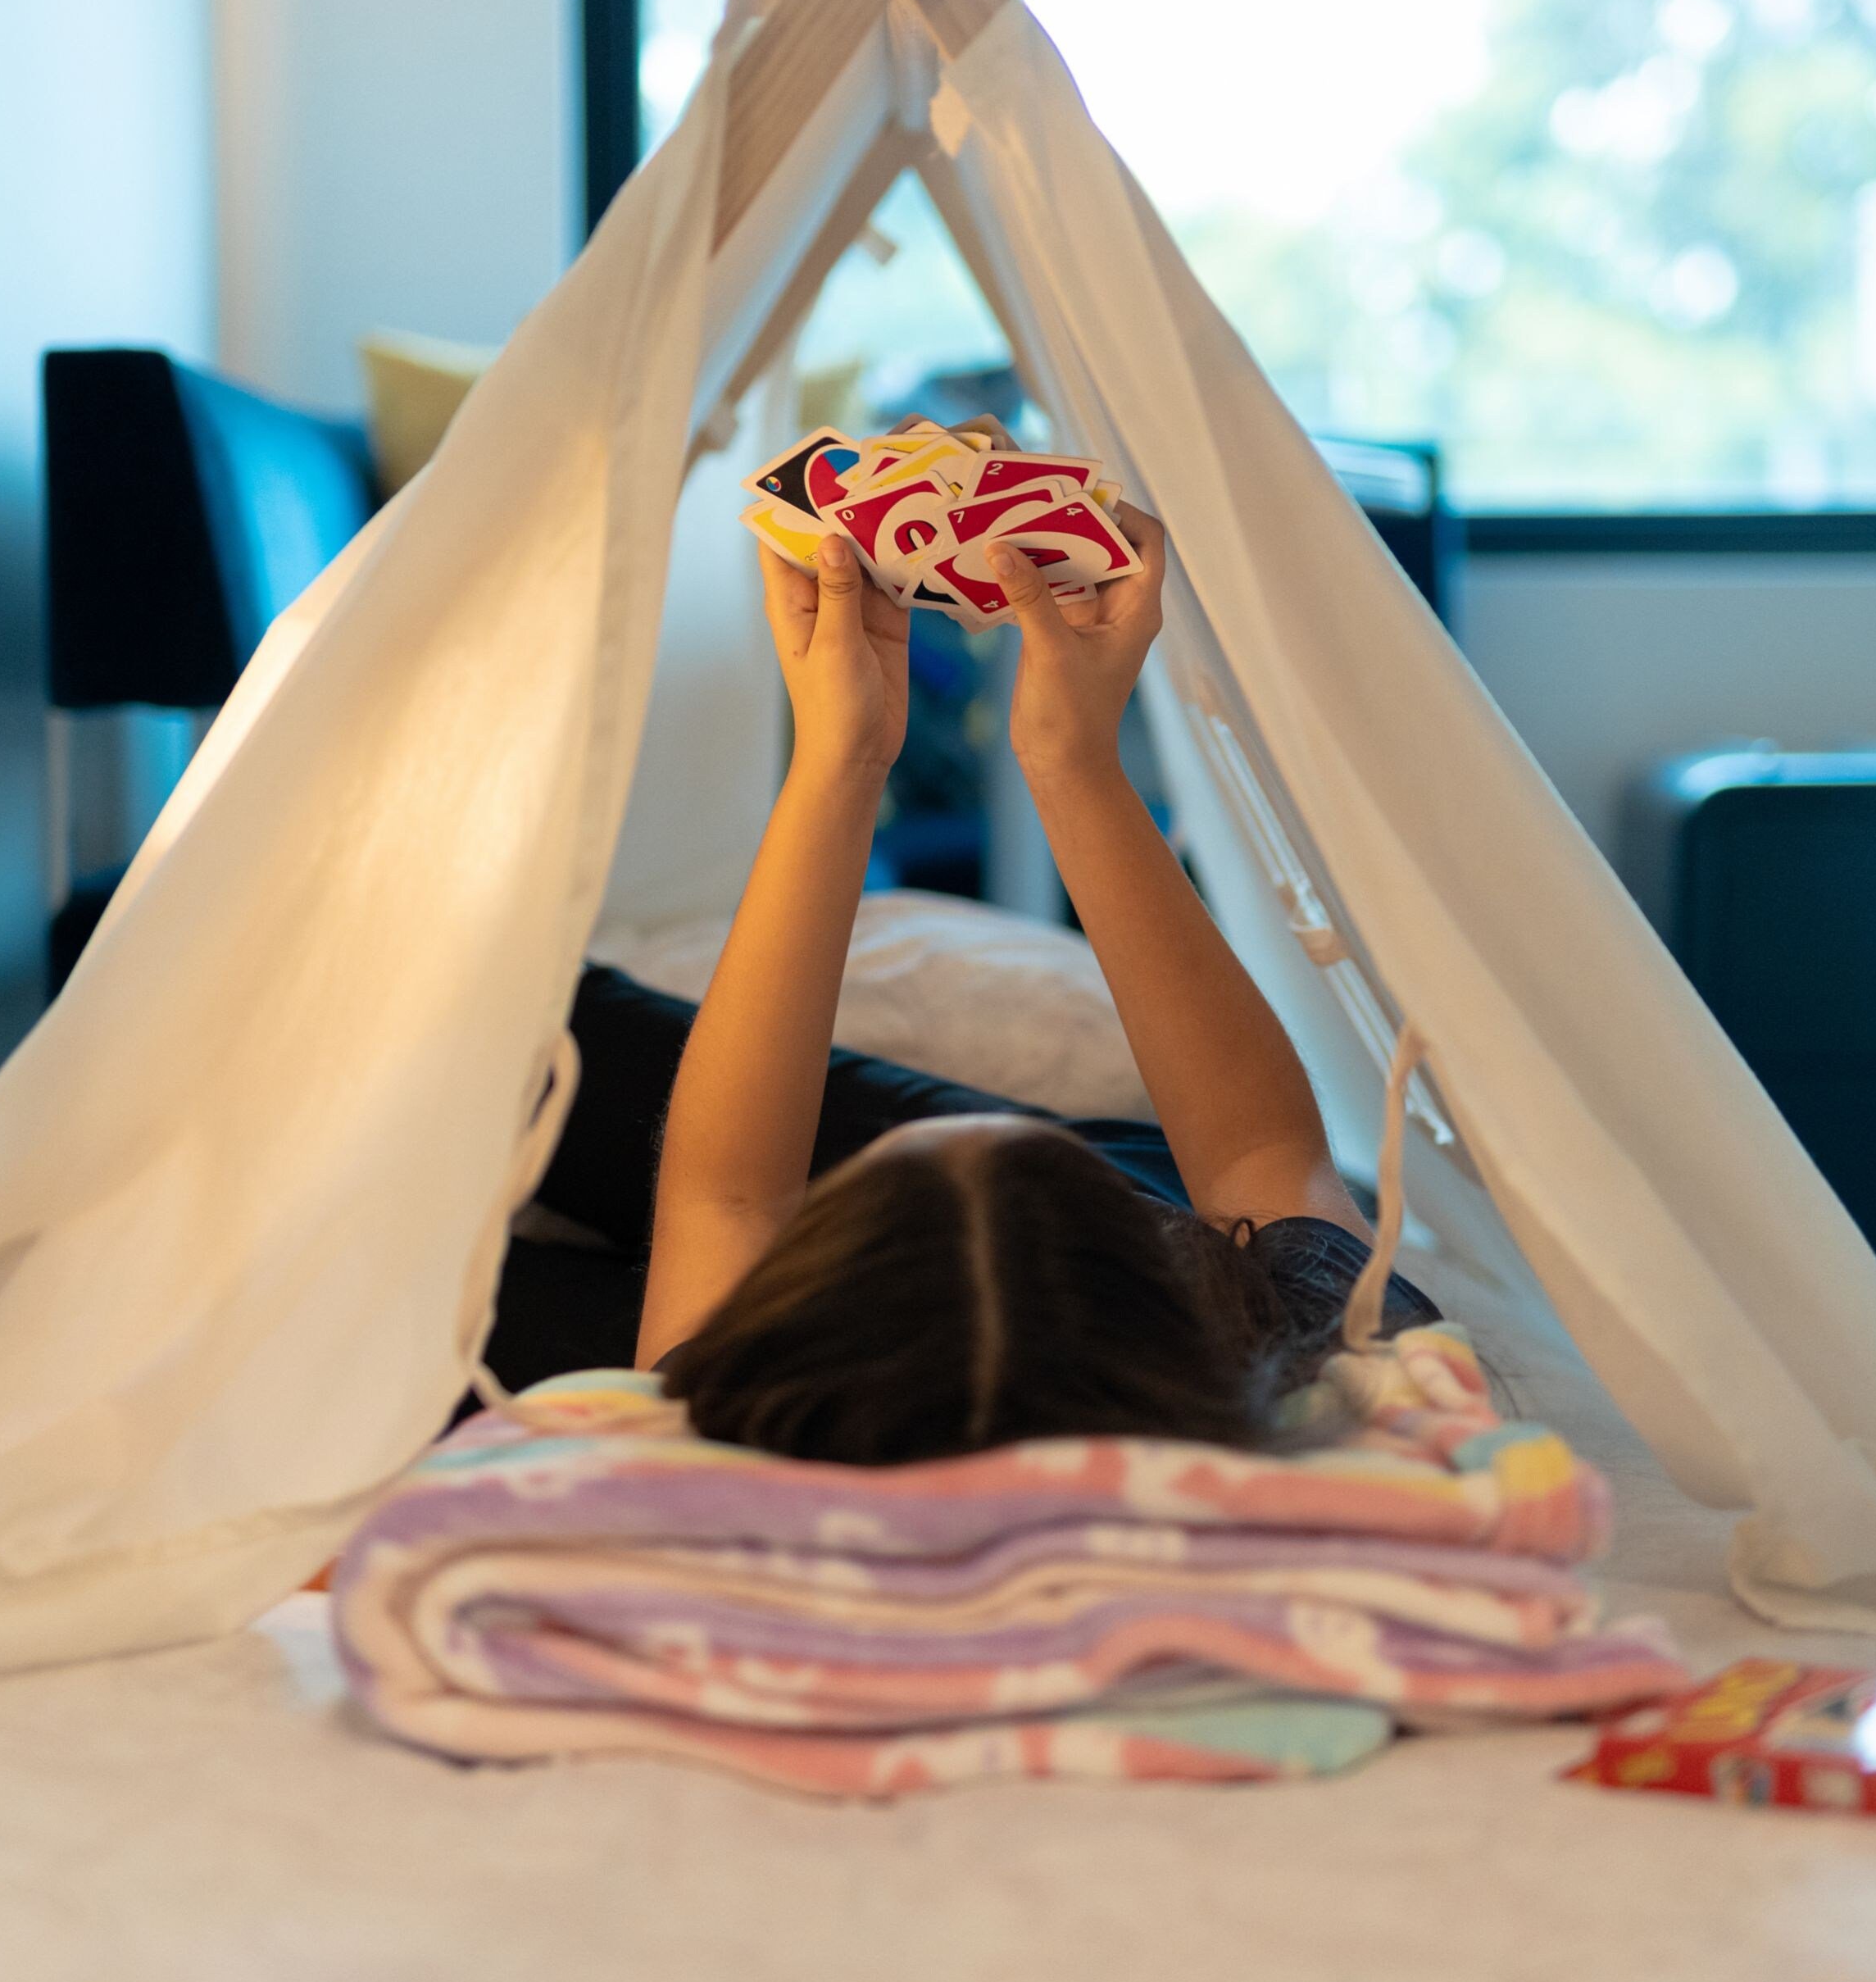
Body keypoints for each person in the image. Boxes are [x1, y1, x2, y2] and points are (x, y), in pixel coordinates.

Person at [495, 422, 1431, 1465]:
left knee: (460, 1204)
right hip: (1052, 1296)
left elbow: (729, 1198)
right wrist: (1069, 757)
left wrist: (842, 760)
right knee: (533, 1062)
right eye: (1044, 1158)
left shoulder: (700, 1434)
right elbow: (1260, 1156)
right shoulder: (1337, 1378)